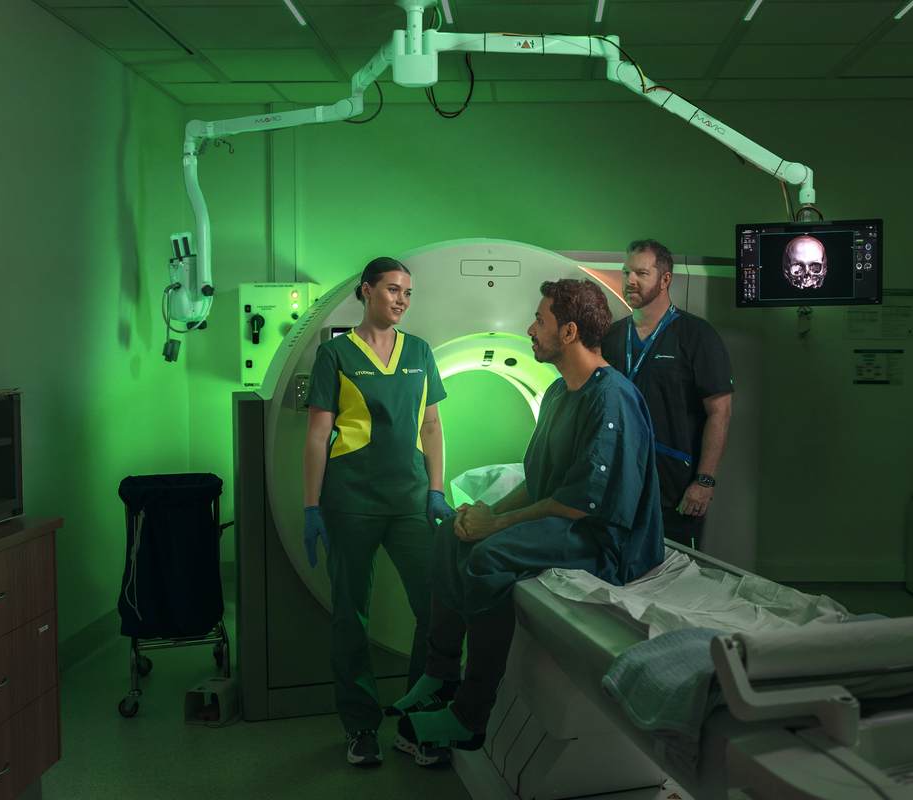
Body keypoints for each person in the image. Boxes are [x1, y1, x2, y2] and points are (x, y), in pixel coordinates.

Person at [385, 278, 665, 764]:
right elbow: (538, 482)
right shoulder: (559, 393)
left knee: (489, 557)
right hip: (569, 520)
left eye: (540, 320)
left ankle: (470, 715)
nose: (530, 330)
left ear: (569, 332)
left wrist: (496, 528)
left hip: (607, 540)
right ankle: (440, 673)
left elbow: (580, 504)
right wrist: (487, 512)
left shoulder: (611, 399)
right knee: (451, 533)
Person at [302, 256, 456, 766]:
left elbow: (431, 426)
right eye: (392, 290)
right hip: (350, 501)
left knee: (435, 608)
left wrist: (435, 490)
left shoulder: (420, 351)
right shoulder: (335, 354)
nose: (401, 300)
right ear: (366, 291)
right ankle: (361, 726)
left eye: (407, 292)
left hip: (410, 499)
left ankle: (416, 723)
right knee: (351, 615)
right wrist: (311, 506)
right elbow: (318, 435)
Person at [600, 239, 733, 552]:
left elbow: (720, 412)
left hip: (674, 493)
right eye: (626, 272)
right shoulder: (611, 337)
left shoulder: (696, 336)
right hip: (617, 489)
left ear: (665, 279)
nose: (630, 280)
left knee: (673, 574)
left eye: (641, 273)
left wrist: (704, 481)